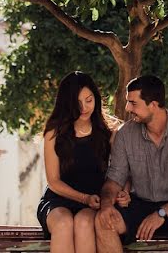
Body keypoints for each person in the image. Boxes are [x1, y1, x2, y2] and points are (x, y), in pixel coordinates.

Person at [95, 75, 168, 253]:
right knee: (103, 221)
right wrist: (106, 206)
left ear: (153, 104)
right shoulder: (125, 135)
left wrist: (162, 213)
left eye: (133, 103)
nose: (127, 108)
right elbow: (114, 180)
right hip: (139, 205)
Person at [37, 71, 126, 253]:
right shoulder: (53, 133)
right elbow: (53, 181)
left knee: (84, 223)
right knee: (63, 224)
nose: (84, 107)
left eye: (89, 100)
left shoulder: (110, 133)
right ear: (66, 104)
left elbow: (121, 171)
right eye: (77, 103)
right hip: (59, 199)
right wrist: (83, 198)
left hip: (95, 200)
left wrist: (123, 191)